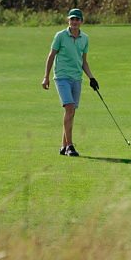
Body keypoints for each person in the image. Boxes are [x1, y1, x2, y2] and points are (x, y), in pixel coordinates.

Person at [42, 8, 98, 157]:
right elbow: (51, 56)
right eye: (72, 19)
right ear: (68, 20)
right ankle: (70, 146)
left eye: (77, 19)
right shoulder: (60, 36)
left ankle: (63, 147)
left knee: (71, 112)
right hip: (61, 77)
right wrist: (46, 77)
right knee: (70, 107)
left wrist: (91, 78)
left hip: (76, 78)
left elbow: (83, 61)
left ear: (81, 21)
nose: (74, 22)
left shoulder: (84, 38)